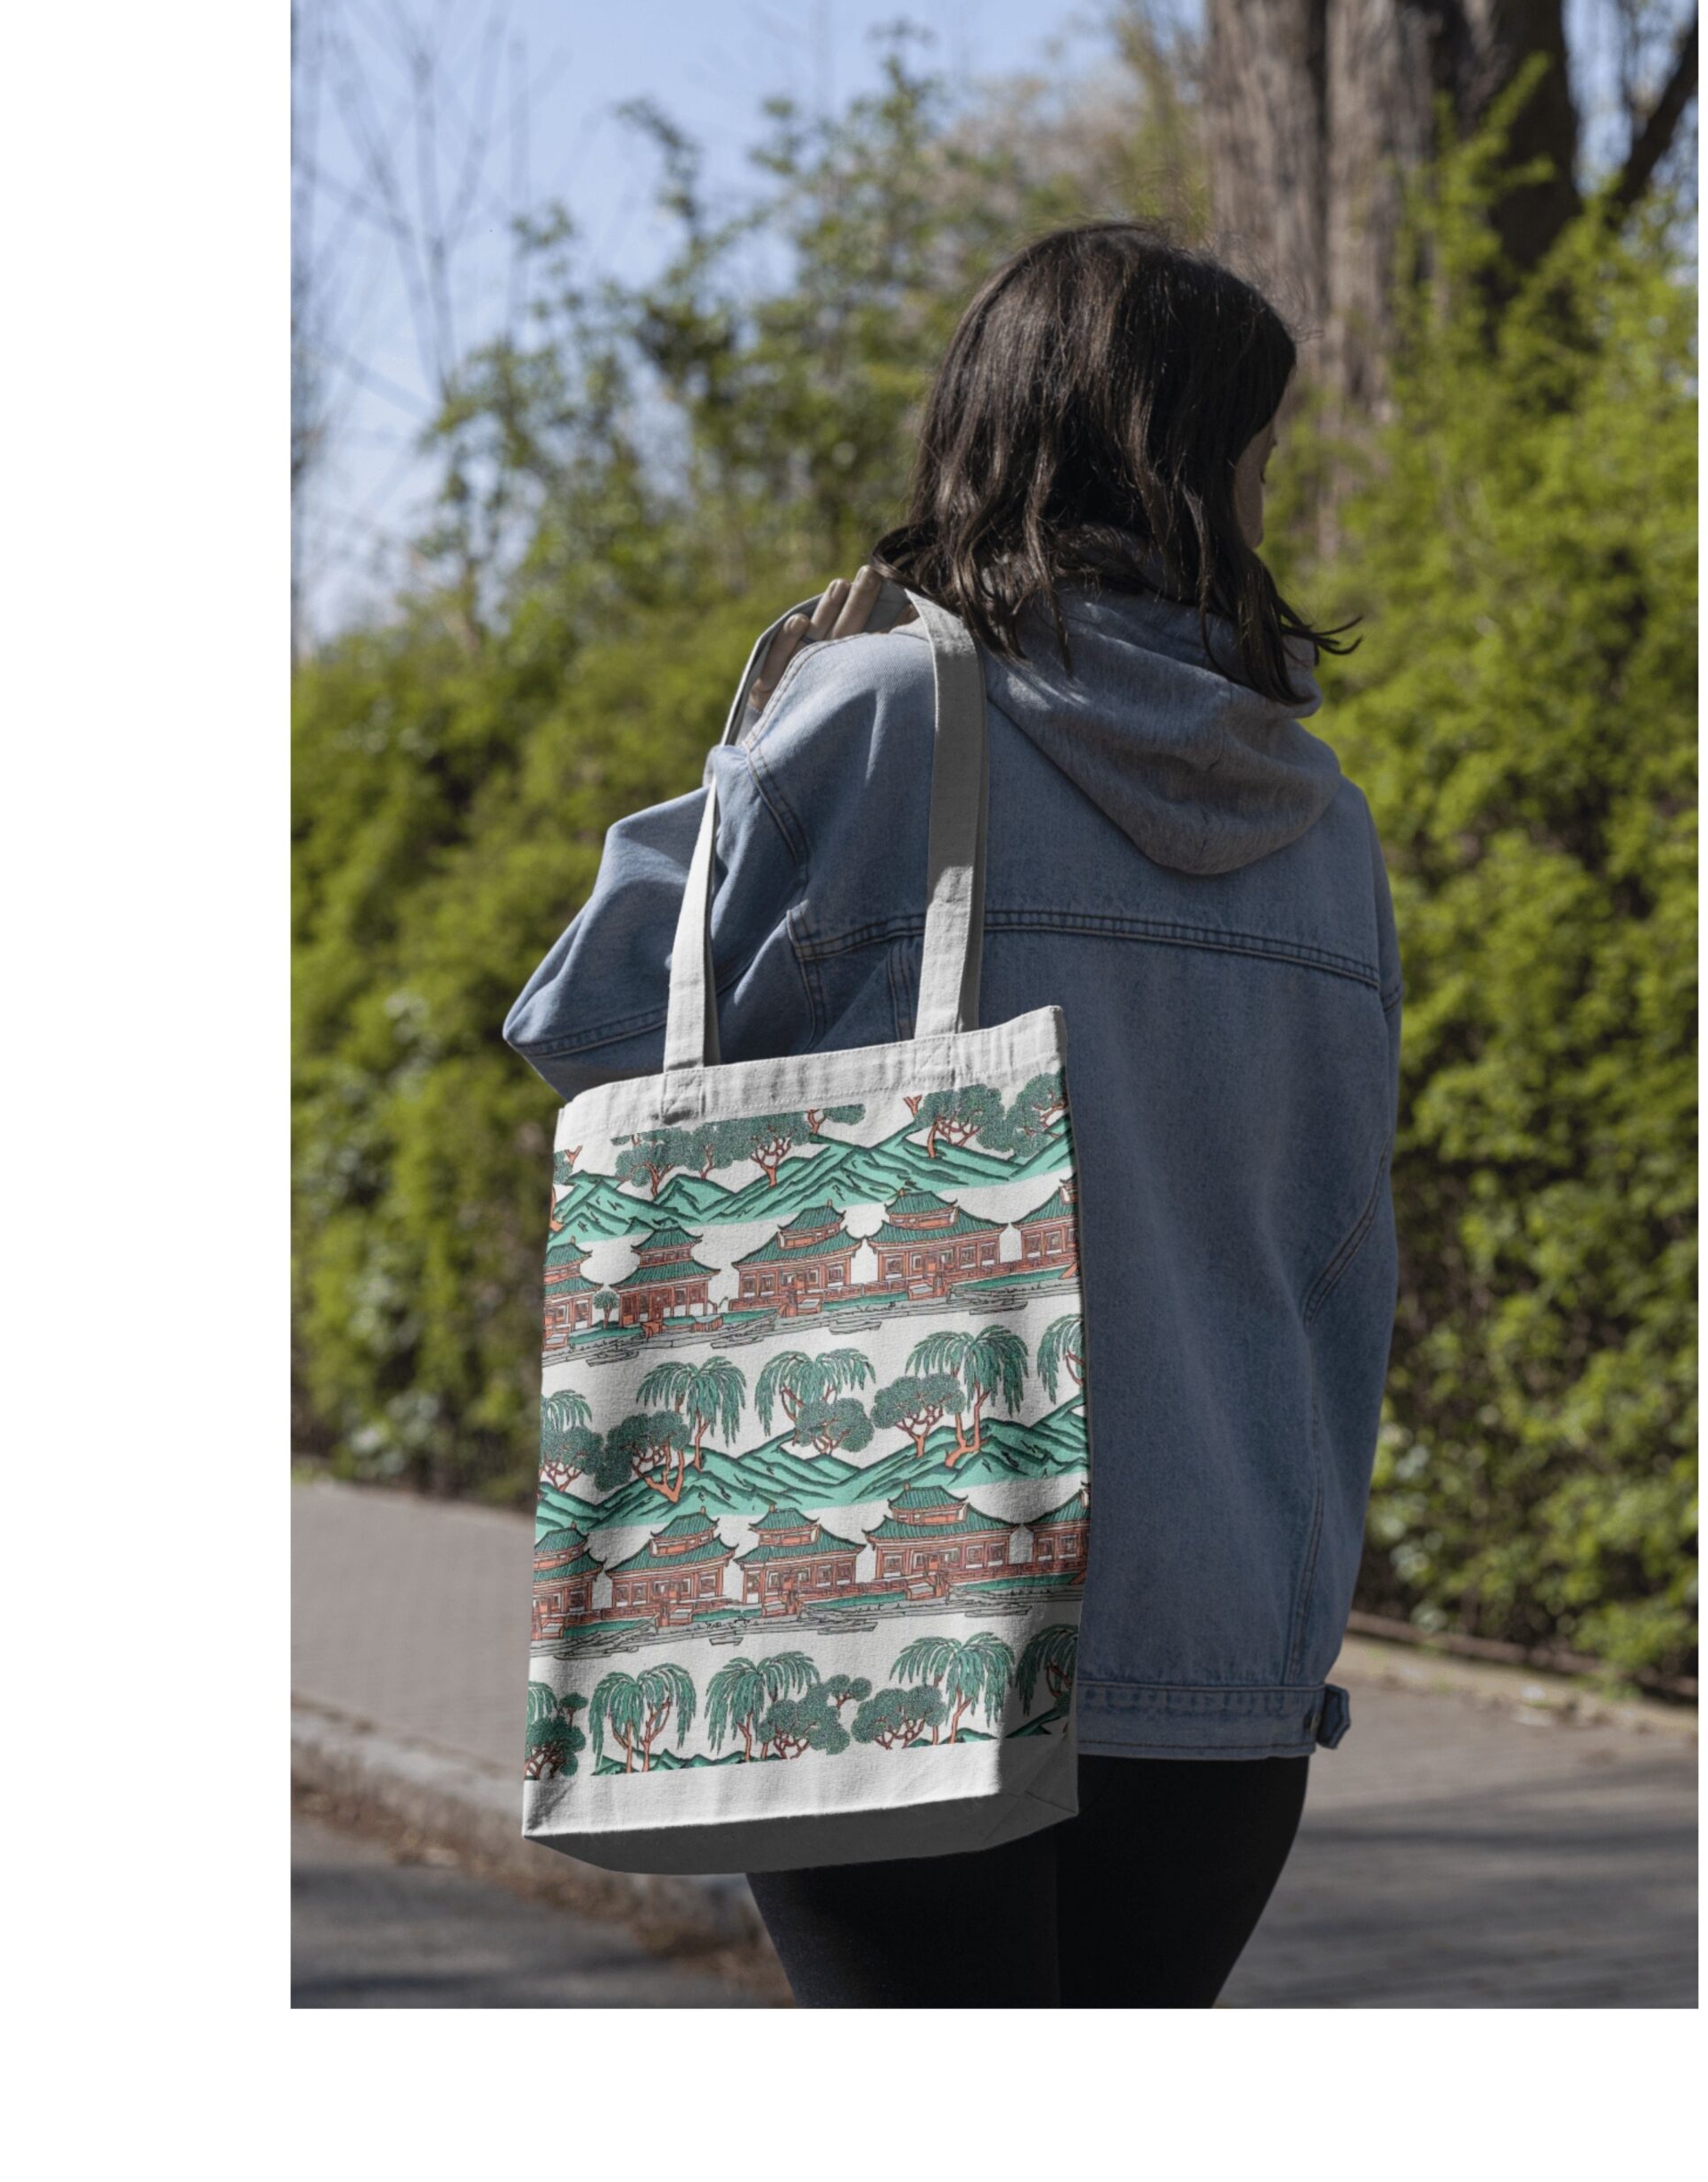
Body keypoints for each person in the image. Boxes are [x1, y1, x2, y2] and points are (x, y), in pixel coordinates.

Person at [506, 222, 1401, 2007]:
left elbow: (586, 1021)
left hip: (885, 1605)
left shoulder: (880, 718)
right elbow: (1334, 1247)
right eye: (1255, 451)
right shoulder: (1322, 822)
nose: (1265, 492)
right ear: (1187, 468)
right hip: (1227, 1639)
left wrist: (765, 749)